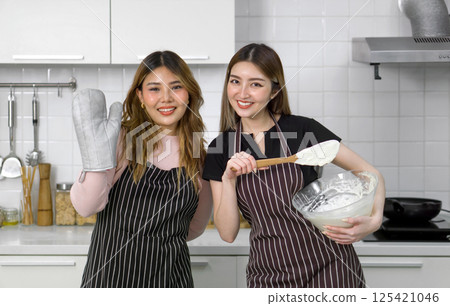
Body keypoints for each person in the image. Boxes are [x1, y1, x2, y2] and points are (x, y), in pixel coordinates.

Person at [202, 43, 386, 288]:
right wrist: (228, 179)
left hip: (330, 266)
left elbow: (370, 173)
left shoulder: (303, 130)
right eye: (235, 81)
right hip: (268, 274)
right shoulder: (221, 147)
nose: (242, 93)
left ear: (274, 91)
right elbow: (227, 234)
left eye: (256, 84)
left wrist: (374, 221)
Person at [70, 51, 212, 288]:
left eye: (176, 87)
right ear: (140, 96)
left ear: (189, 94)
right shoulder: (119, 139)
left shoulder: (200, 156)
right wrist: (95, 158)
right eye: (154, 89)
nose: (165, 98)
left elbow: (195, 227)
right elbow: (86, 207)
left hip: (170, 282)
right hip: (110, 281)